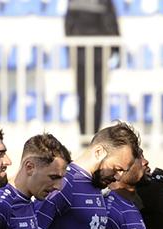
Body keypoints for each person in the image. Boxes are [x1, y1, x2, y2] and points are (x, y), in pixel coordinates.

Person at [65, 0, 120, 137]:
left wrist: (71, 48)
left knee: (82, 96)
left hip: (79, 53)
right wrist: (116, 50)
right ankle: (94, 134)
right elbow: (110, 23)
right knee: (98, 95)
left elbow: (68, 25)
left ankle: (84, 133)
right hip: (100, 54)